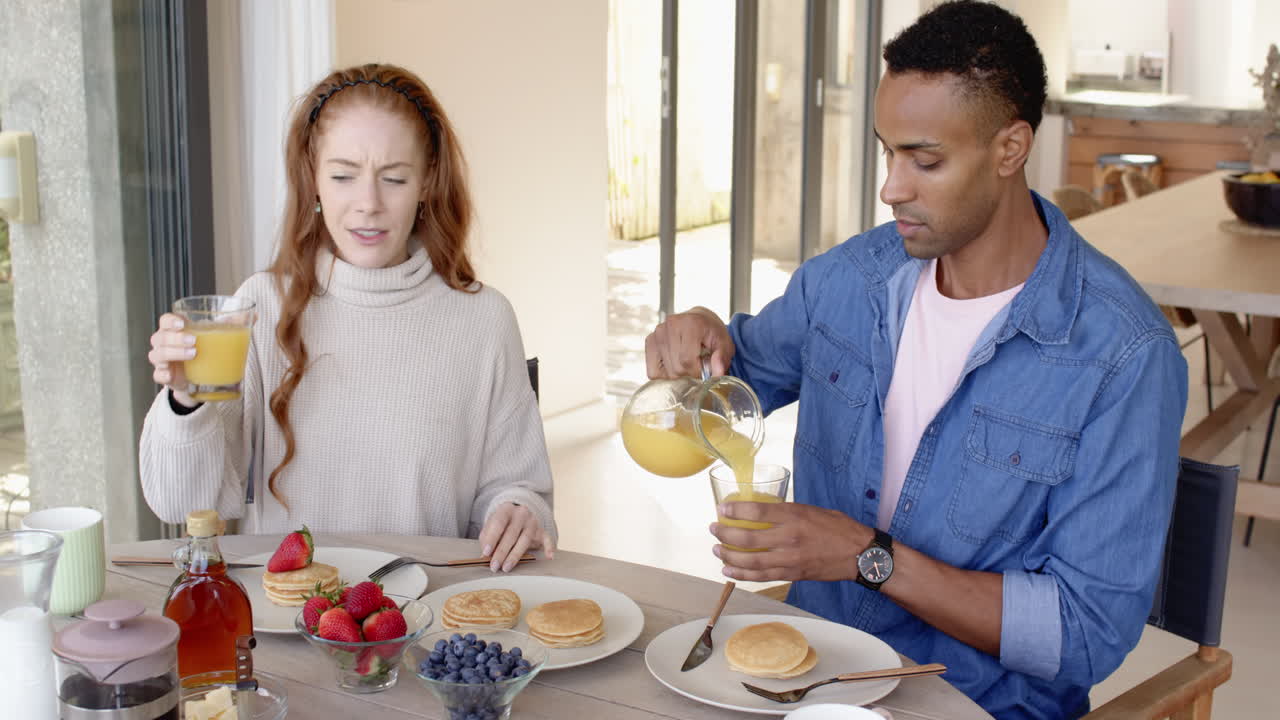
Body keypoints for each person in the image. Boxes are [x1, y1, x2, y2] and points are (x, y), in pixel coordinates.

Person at [644, 3, 1186, 718]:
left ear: (1009, 149)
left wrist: (866, 557)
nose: (891, 187)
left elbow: (1083, 634)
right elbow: (736, 382)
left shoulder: (1123, 356)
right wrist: (701, 339)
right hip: (806, 676)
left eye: (924, 160)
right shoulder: (848, 280)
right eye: (887, 153)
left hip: (979, 701)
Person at [141, 63, 555, 572]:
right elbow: (187, 505)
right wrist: (185, 402)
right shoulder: (261, 306)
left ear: (427, 182)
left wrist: (519, 510)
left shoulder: (484, 319)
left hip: (430, 621)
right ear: (313, 181)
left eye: (395, 178)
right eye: (342, 176)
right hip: (286, 615)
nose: (369, 204)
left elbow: (517, 486)